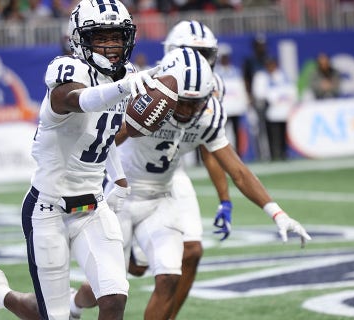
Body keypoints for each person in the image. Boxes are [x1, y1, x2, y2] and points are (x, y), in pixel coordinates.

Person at [70, 48, 311, 320]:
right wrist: (130, 123)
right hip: (120, 197)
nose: (187, 110)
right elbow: (103, 145)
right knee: (107, 291)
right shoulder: (145, 96)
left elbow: (237, 170)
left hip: (161, 198)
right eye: (182, 101)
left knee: (170, 277)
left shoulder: (208, 115)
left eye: (195, 104)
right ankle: (74, 305)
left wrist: (276, 212)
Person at [0, 0, 162, 318]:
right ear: (79, 39)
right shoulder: (68, 70)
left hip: (92, 207)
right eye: (101, 37)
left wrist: (120, 179)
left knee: (113, 298)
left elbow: (103, 132)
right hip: (48, 209)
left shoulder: (126, 75)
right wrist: (124, 87)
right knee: (54, 316)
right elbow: (79, 100)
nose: (112, 45)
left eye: (117, 36)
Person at [252, 56, 297, 161]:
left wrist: (282, 99)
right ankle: (273, 154)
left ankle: (283, 153)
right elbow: (259, 93)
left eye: (272, 64)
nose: (271, 67)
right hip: (269, 110)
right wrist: (272, 98)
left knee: (283, 133)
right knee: (271, 134)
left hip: (283, 110)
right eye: (268, 65)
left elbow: (291, 91)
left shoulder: (282, 75)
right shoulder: (261, 76)